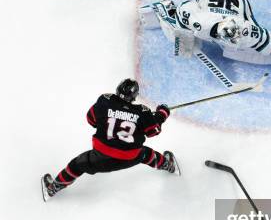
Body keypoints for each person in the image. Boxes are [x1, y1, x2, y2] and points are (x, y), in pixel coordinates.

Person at [41, 78, 179, 201]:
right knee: (147, 154)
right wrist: (161, 114)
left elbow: (91, 119)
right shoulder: (143, 112)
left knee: (76, 165)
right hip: (131, 156)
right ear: (135, 96)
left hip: (100, 156)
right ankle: (169, 166)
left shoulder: (105, 100)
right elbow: (153, 131)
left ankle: (54, 188)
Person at [140, 0, 271, 72]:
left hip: (238, 3)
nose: (234, 40)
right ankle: (185, 40)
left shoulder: (246, 31)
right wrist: (164, 10)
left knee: (236, 51)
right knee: (179, 35)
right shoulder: (198, 21)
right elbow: (184, 8)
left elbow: (268, 41)